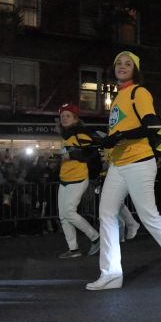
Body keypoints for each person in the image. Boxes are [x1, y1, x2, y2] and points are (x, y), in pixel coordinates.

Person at [86, 51, 161, 290]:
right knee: (107, 214)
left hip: (140, 161)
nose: (122, 66)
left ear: (136, 70)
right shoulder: (118, 97)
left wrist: (120, 136)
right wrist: (110, 140)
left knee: (148, 215)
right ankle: (111, 273)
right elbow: (121, 130)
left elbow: (151, 124)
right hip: (118, 164)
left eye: (128, 64)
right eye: (119, 63)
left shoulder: (138, 92)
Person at [56, 103, 100, 258]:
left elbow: (91, 153)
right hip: (65, 178)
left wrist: (71, 156)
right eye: (62, 116)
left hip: (78, 178)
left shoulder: (81, 133)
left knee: (68, 212)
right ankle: (73, 249)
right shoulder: (66, 135)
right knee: (63, 215)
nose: (64, 118)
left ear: (75, 118)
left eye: (68, 115)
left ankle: (96, 237)